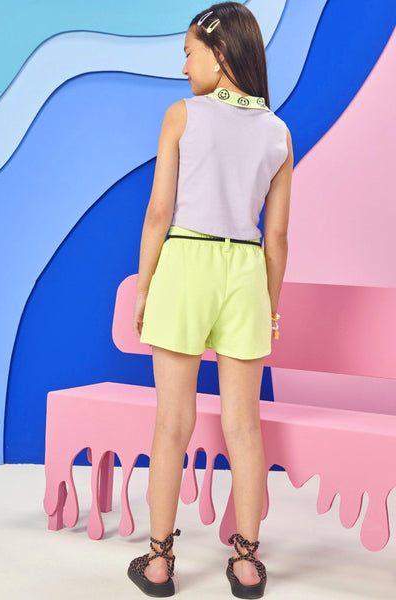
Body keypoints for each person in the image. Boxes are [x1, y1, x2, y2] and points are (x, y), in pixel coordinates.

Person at [127, 2, 293, 597]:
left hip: (187, 263)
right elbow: (277, 237)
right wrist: (269, 307)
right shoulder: (278, 132)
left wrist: (145, 285)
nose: (184, 67)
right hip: (245, 271)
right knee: (244, 428)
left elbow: (158, 213)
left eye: (189, 53)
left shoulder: (183, 115)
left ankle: (159, 564)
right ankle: (246, 565)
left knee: (172, 424)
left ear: (219, 56)